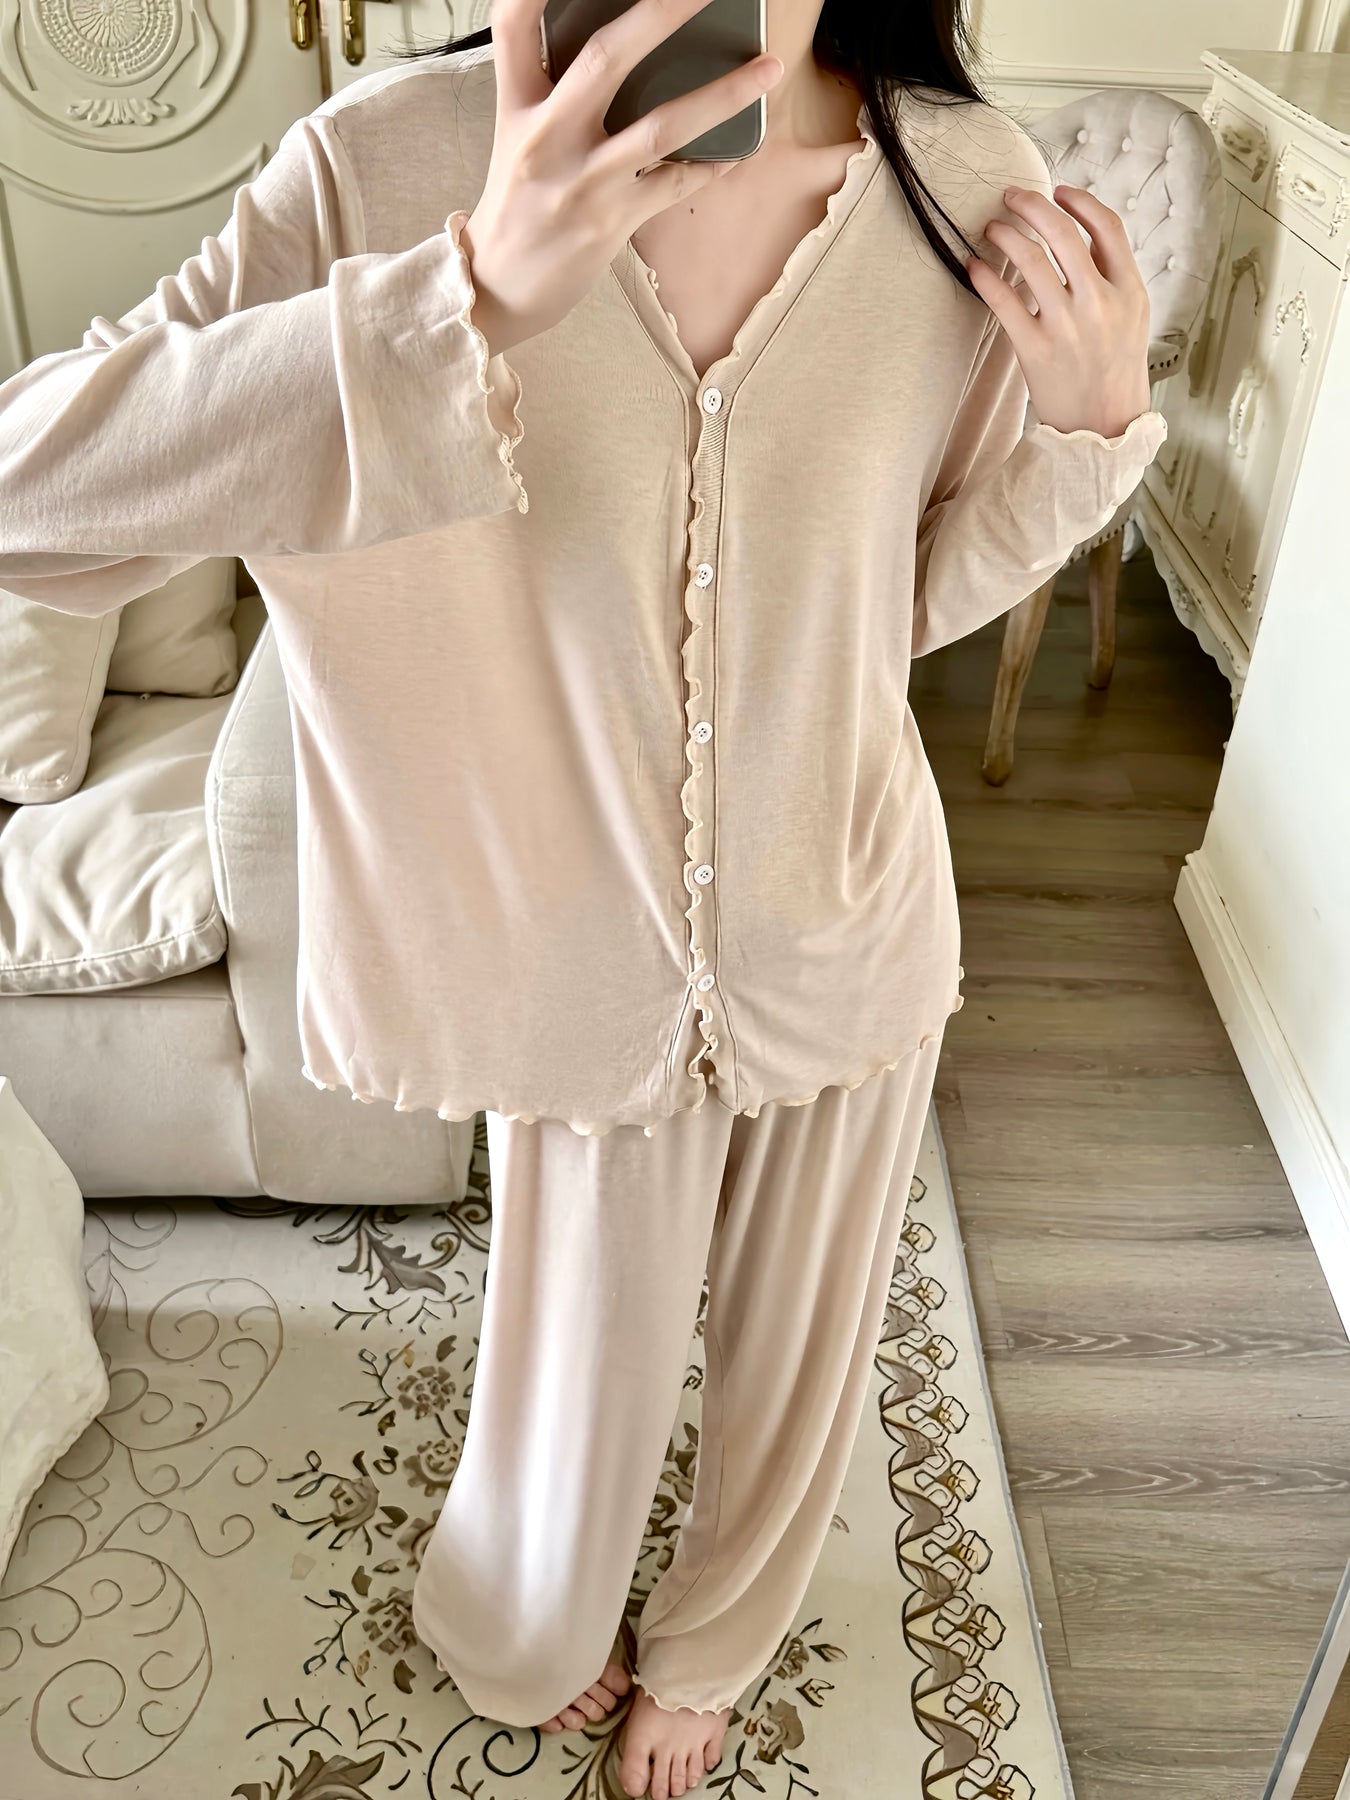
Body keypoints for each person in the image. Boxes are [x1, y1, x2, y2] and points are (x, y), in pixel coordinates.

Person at [0, 0, 1164, 1793]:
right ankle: (521, 1625)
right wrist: (457, 295)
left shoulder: (962, 182)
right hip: (576, 954)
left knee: (803, 1348)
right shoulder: (387, 162)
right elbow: (34, 497)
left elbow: (887, 604)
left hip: (847, 897)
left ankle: (717, 1645)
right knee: (575, 1371)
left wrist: (1087, 434)